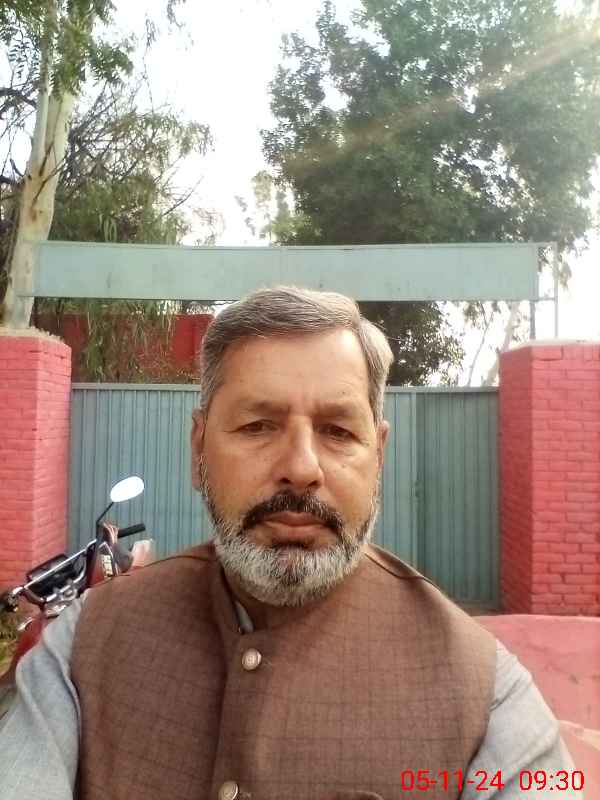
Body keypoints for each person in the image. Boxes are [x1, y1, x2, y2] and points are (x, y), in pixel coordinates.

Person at [0, 286, 581, 800]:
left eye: (338, 431)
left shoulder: (488, 694)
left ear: (379, 456)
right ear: (198, 449)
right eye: (257, 426)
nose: (301, 468)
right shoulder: (81, 648)